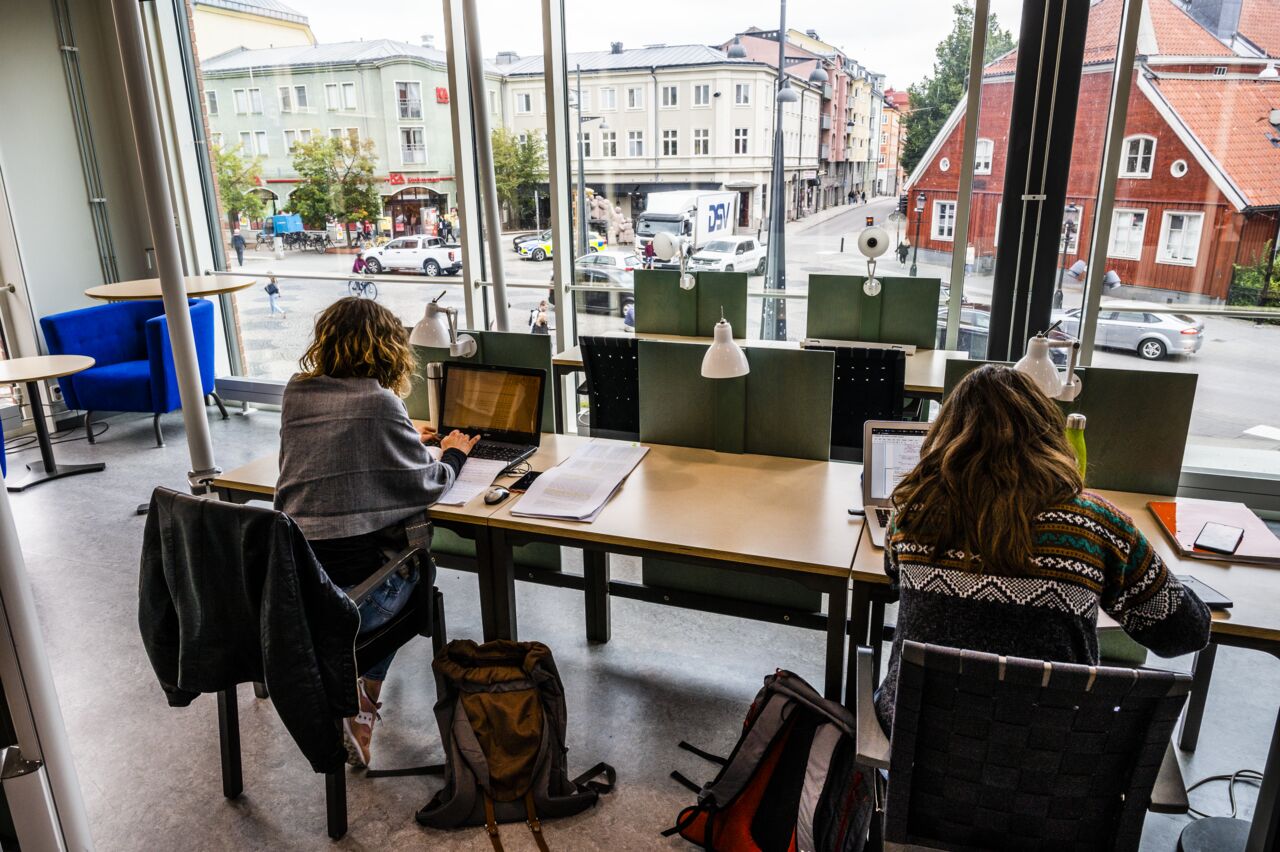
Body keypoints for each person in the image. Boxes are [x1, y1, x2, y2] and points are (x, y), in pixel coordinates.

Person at [877, 364, 1211, 730]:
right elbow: (1184, 634)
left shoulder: (912, 514)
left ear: (944, 435)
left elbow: (894, 578)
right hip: (1053, 754)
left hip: (919, 743)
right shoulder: (1097, 523)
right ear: (1047, 431)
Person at [275, 298, 480, 768]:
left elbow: (345, 451)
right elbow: (427, 484)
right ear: (387, 347)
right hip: (354, 607)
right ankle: (361, 701)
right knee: (415, 569)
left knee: (373, 566)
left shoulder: (296, 392)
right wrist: (454, 452)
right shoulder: (379, 403)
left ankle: (354, 700)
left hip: (293, 595)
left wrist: (402, 435)